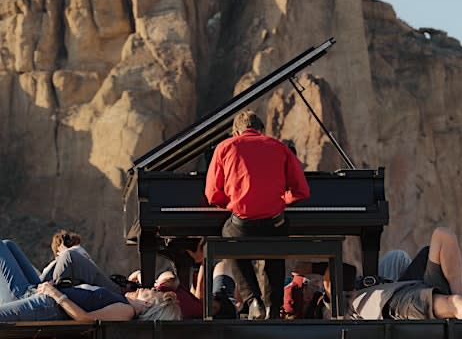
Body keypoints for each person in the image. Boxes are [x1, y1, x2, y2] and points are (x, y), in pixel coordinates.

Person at [205, 110, 310, 320]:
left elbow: (212, 195)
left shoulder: (225, 147)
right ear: (261, 130)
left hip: (242, 225)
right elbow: (302, 192)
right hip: (274, 224)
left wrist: (234, 202)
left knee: (230, 240)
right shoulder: (279, 147)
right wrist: (282, 199)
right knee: (276, 250)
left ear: (236, 131)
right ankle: (273, 308)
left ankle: (253, 300)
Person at [349, 227, 462, 322]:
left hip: (395, 289)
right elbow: (451, 305)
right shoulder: (407, 305)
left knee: (400, 255)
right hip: (406, 300)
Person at [0, 240, 181, 321]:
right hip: (41, 294)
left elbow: (84, 318)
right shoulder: (123, 302)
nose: (152, 288)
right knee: (8, 244)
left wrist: (55, 294)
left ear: (149, 304)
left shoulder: (126, 311)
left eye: (155, 292)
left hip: (45, 303)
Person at [379, 235, 462, 307]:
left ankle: (460, 300)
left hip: (384, 299)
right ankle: (461, 301)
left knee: (397, 257)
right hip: (401, 305)